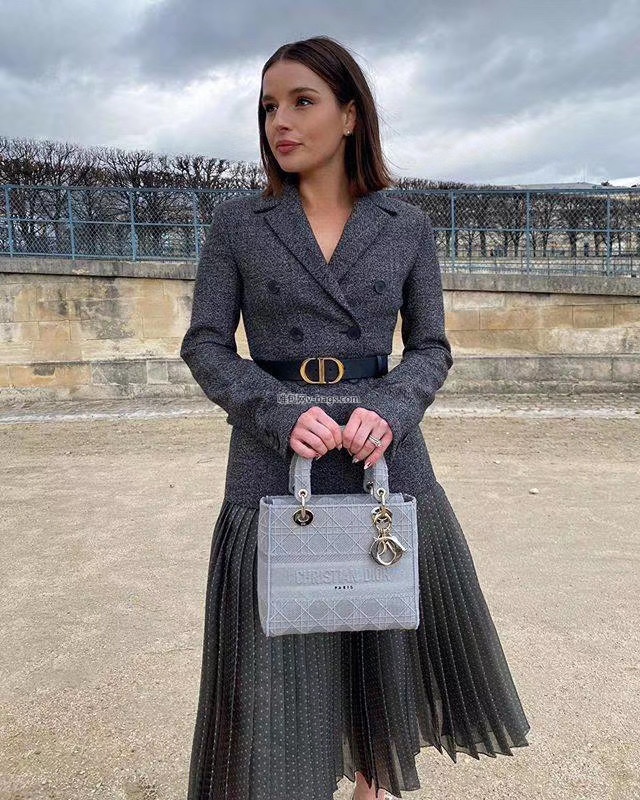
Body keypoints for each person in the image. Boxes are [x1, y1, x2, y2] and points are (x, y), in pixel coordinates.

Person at [180, 34, 531, 800]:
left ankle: (372, 785)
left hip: (384, 461)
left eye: (301, 101)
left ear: (348, 115)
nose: (280, 121)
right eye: (268, 106)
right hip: (274, 458)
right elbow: (205, 344)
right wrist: (277, 411)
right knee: (273, 671)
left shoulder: (406, 225)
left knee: (381, 650)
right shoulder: (238, 224)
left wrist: (392, 409)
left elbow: (431, 347)